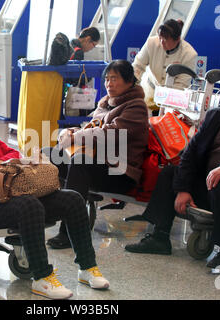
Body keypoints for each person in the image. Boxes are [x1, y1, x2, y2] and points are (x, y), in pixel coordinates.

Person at [0, 88, 110, 300]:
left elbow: (13, 153)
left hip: (11, 194)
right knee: (29, 205)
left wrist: (1, 165)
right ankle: (42, 277)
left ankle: (87, 267)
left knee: (72, 198)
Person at [125, 68, 220, 273]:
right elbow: (189, 154)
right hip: (207, 188)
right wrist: (183, 189)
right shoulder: (216, 116)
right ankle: (159, 237)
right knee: (169, 172)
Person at [47, 59, 149, 249]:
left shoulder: (136, 107)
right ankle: (46, 214)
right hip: (98, 162)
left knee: (80, 162)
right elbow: (88, 127)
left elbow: (111, 134)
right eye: (107, 79)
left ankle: (70, 232)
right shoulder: (105, 104)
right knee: (49, 155)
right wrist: (68, 132)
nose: (109, 83)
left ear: (129, 81)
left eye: (115, 78)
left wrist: (77, 136)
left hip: (120, 172)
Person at [132, 19, 197, 116]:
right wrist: (132, 87)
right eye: (160, 38)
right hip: (147, 94)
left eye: (165, 40)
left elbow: (181, 85)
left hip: (172, 100)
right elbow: (138, 66)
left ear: (177, 39)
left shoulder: (189, 54)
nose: (161, 42)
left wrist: (165, 102)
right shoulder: (151, 43)